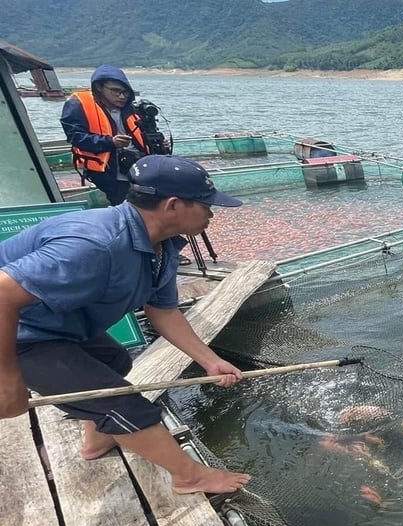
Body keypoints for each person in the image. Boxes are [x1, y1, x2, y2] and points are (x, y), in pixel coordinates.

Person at [0, 155, 251, 494]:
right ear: (173, 205)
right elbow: (2, 294)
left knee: (115, 361)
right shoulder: (94, 243)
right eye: (206, 204)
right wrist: (8, 379)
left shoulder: (163, 245)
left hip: (54, 324)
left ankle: (97, 441)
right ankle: (189, 476)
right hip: (20, 332)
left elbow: (163, 311)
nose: (211, 213)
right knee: (122, 403)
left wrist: (208, 360)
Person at [60, 65, 152, 207]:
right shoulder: (78, 104)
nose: (122, 96)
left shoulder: (132, 108)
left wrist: (158, 144)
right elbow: (76, 137)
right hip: (109, 172)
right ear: (99, 87)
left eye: (125, 92)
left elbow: (144, 136)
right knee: (125, 209)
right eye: (116, 91)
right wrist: (111, 142)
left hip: (140, 169)